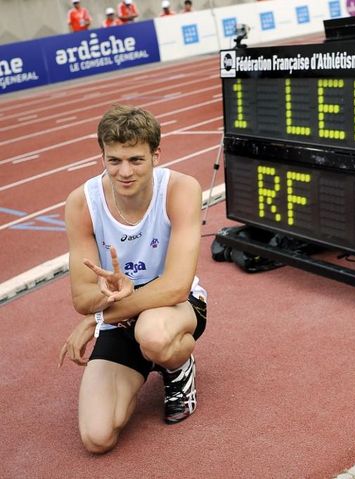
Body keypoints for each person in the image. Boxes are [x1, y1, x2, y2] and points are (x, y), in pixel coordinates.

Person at [58, 104, 207, 454]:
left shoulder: (181, 189)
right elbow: (81, 298)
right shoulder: (82, 203)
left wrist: (101, 318)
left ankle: (177, 366)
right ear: (103, 156)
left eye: (136, 160)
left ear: (156, 155)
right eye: (114, 161)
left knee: (152, 334)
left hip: (175, 308)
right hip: (122, 319)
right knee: (97, 438)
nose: (124, 172)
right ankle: (144, 361)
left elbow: (176, 286)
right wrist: (106, 301)